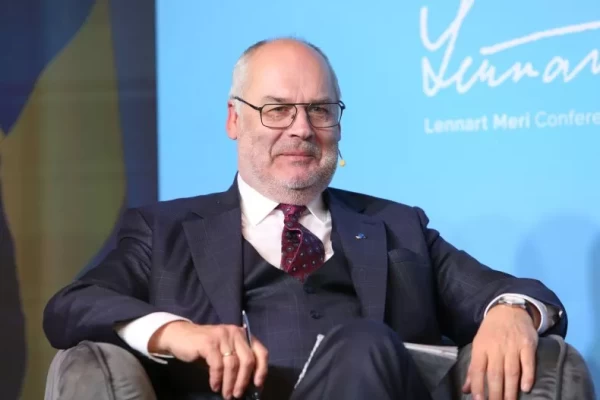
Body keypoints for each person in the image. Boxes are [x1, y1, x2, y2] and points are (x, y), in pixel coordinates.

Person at [43, 38, 566, 400]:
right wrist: (179, 333)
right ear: (234, 120)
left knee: (364, 341)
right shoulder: (165, 230)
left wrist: (511, 310)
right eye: (277, 110)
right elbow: (70, 307)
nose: (301, 129)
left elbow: (515, 290)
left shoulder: (398, 228)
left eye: (320, 110)